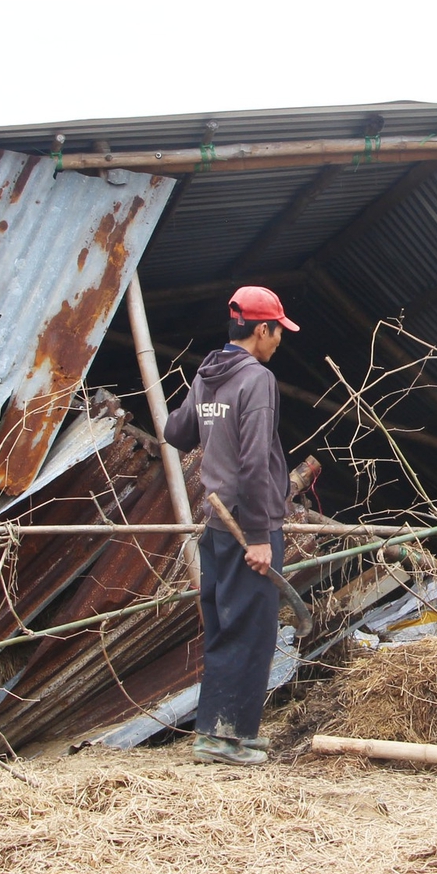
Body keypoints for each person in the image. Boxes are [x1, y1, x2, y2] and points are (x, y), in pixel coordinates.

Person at [163, 285, 299, 767]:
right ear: (261, 329)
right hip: (247, 529)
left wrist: (204, 407)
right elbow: (256, 461)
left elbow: (175, 432)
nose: (279, 340)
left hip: (215, 524)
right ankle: (229, 737)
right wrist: (261, 537)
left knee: (223, 627)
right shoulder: (255, 379)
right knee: (252, 630)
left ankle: (217, 734)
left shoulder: (208, 373)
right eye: (278, 331)